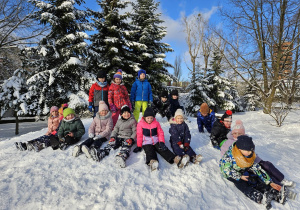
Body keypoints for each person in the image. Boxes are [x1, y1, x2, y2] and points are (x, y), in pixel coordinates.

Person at [220, 120, 296, 199]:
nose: (237, 135)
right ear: (232, 134)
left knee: (267, 166)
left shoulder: (247, 143)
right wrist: (239, 174)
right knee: (251, 179)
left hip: (249, 163)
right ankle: (267, 192)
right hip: (235, 168)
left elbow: (253, 157)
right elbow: (225, 165)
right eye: (235, 133)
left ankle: (280, 184)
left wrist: (268, 180)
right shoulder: (229, 146)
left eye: (240, 133)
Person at [220, 135, 288, 209]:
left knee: (255, 179)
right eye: (248, 151)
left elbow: (257, 169)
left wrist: (269, 181)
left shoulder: (249, 155)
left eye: (251, 150)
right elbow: (225, 170)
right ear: (240, 149)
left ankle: (274, 195)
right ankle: (259, 198)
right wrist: (239, 176)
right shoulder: (229, 156)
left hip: (243, 170)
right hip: (231, 174)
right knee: (242, 184)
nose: (250, 152)